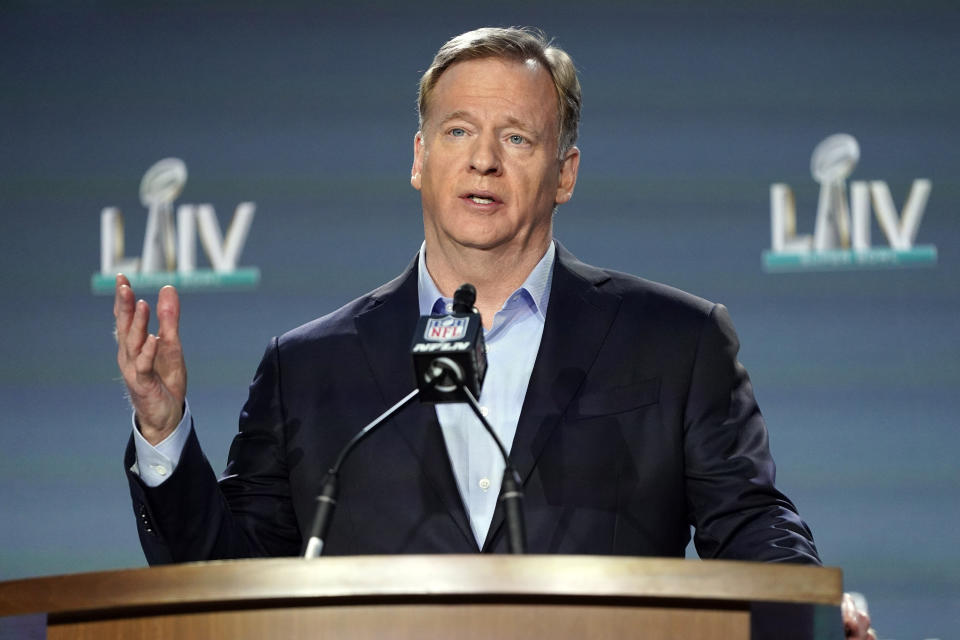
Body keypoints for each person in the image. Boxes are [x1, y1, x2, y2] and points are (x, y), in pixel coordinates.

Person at [114, 27, 873, 638]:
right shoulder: (308, 367)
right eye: (457, 131)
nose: (482, 159)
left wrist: (804, 609)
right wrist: (163, 430)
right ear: (419, 158)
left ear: (565, 173)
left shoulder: (676, 342)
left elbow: (746, 521)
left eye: (516, 138)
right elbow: (228, 587)